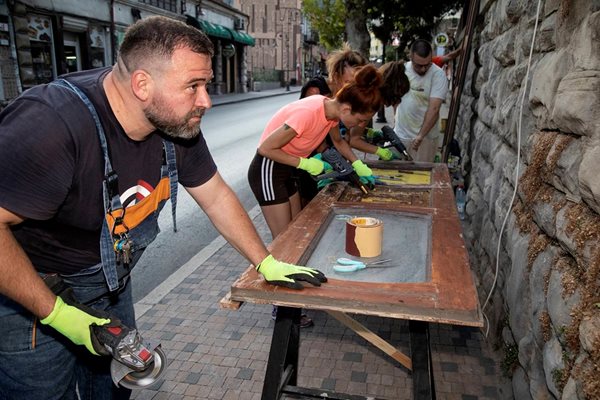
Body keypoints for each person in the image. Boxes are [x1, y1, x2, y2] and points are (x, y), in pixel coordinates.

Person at [0, 16, 325, 400]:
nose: (205, 101)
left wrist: (264, 262)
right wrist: (58, 315)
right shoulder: (51, 126)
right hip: (33, 297)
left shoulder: (177, 124)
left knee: (113, 388)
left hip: (109, 287)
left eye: (206, 85)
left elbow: (216, 194)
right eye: (193, 86)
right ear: (142, 84)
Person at [247, 64, 382, 242]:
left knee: (296, 229)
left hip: (287, 168)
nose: (359, 125)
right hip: (268, 168)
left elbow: (338, 141)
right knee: (283, 240)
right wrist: (306, 164)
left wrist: (358, 165)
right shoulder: (308, 113)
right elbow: (265, 148)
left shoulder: (332, 112)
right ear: (346, 110)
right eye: (360, 120)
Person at [394, 39, 449, 162]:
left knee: (421, 175)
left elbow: (434, 109)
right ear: (411, 57)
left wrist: (421, 136)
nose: (423, 69)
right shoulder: (402, 70)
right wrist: (395, 118)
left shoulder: (438, 75)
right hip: (401, 134)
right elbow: (396, 98)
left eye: (427, 64)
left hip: (426, 138)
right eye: (419, 65)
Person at [348, 61, 410, 159]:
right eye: (399, 97)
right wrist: (379, 151)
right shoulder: (370, 104)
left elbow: (352, 129)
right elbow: (353, 140)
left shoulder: (369, 92)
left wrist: (366, 132)